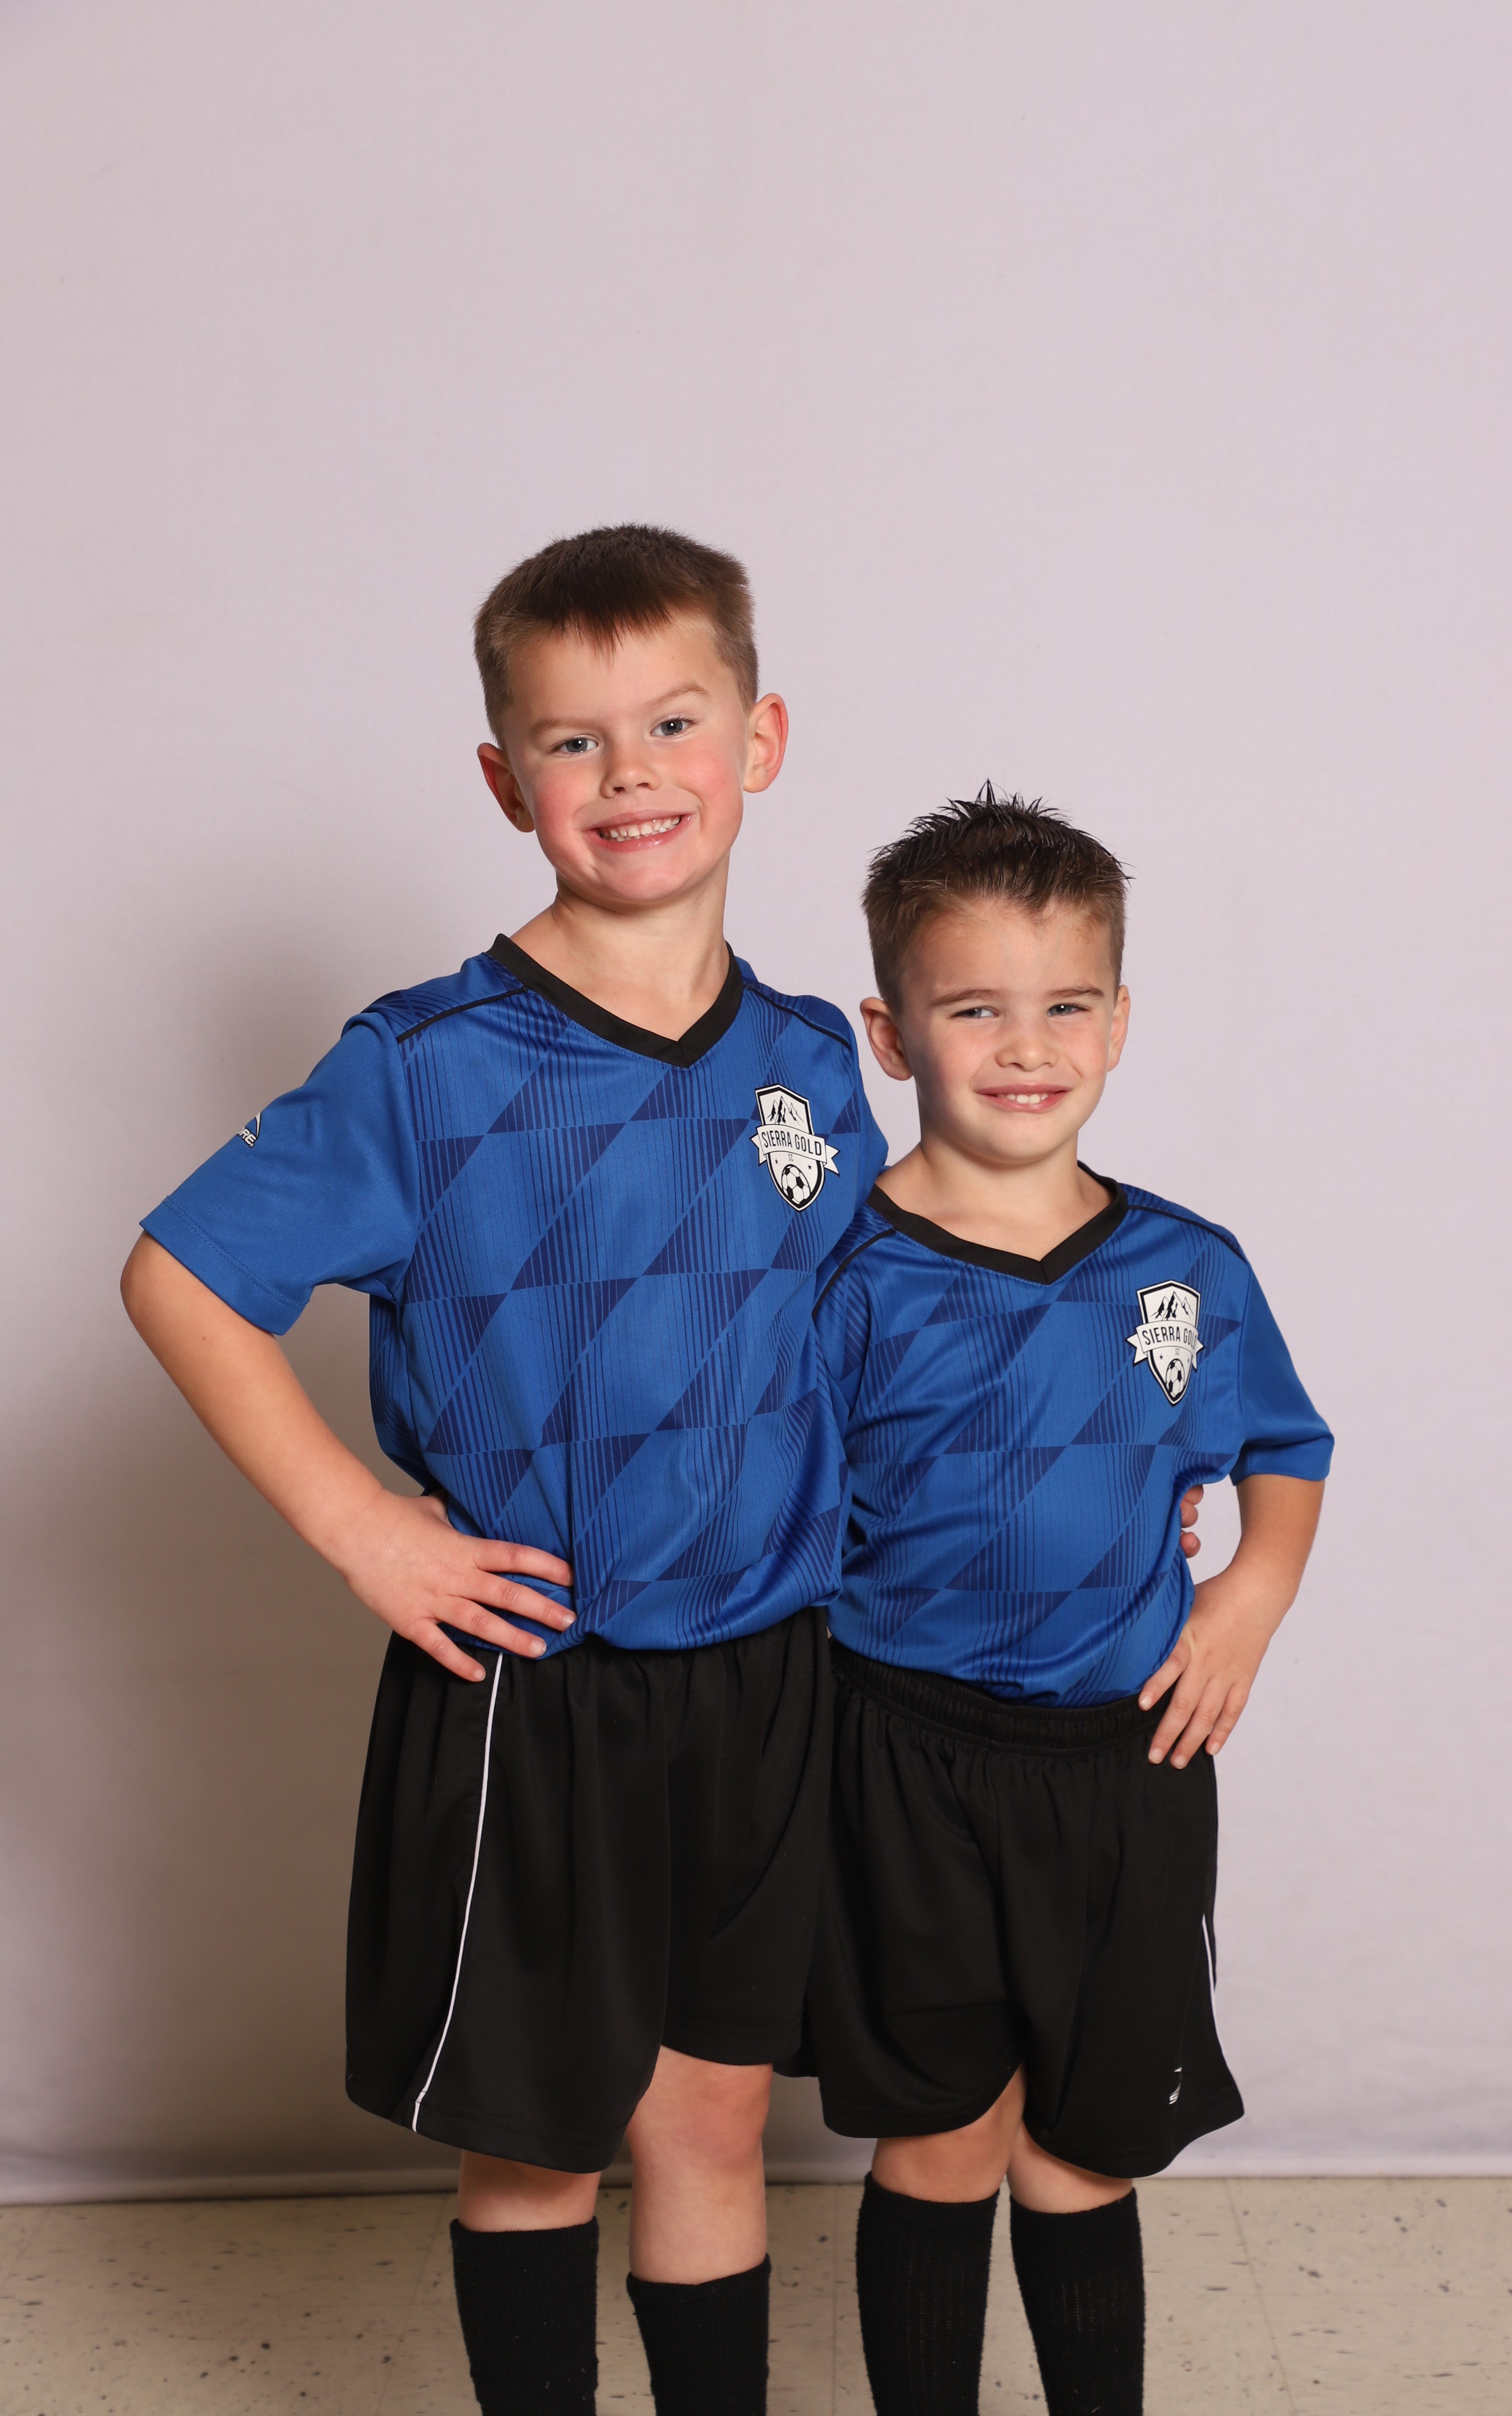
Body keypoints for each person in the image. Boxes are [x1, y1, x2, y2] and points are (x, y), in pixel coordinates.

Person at [118, 525, 891, 2416]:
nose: (630, 773)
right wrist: (360, 1528)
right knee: (541, 2143)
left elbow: (865, 1341)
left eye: (675, 723)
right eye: (573, 741)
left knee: (710, 2123)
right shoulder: (430, 1066)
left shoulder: (810, 1058)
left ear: (763, 740)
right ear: (504, 778)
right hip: (539, 1684)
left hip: (770, 1677)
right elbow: (181, 1277)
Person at [799, 788, 1333, 2416]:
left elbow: (1283, 1446)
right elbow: (762, 1496)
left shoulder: (1185, 1266)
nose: (1025, 1047)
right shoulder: (843, 1270)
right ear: (892, 1035)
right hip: (903, 1757)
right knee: (943, 2135)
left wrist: (1249, 1595)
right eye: (974, 1009)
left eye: (1065, 1006)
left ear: (1119, 1022)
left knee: (1083, 2148)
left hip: (1124, 1766)